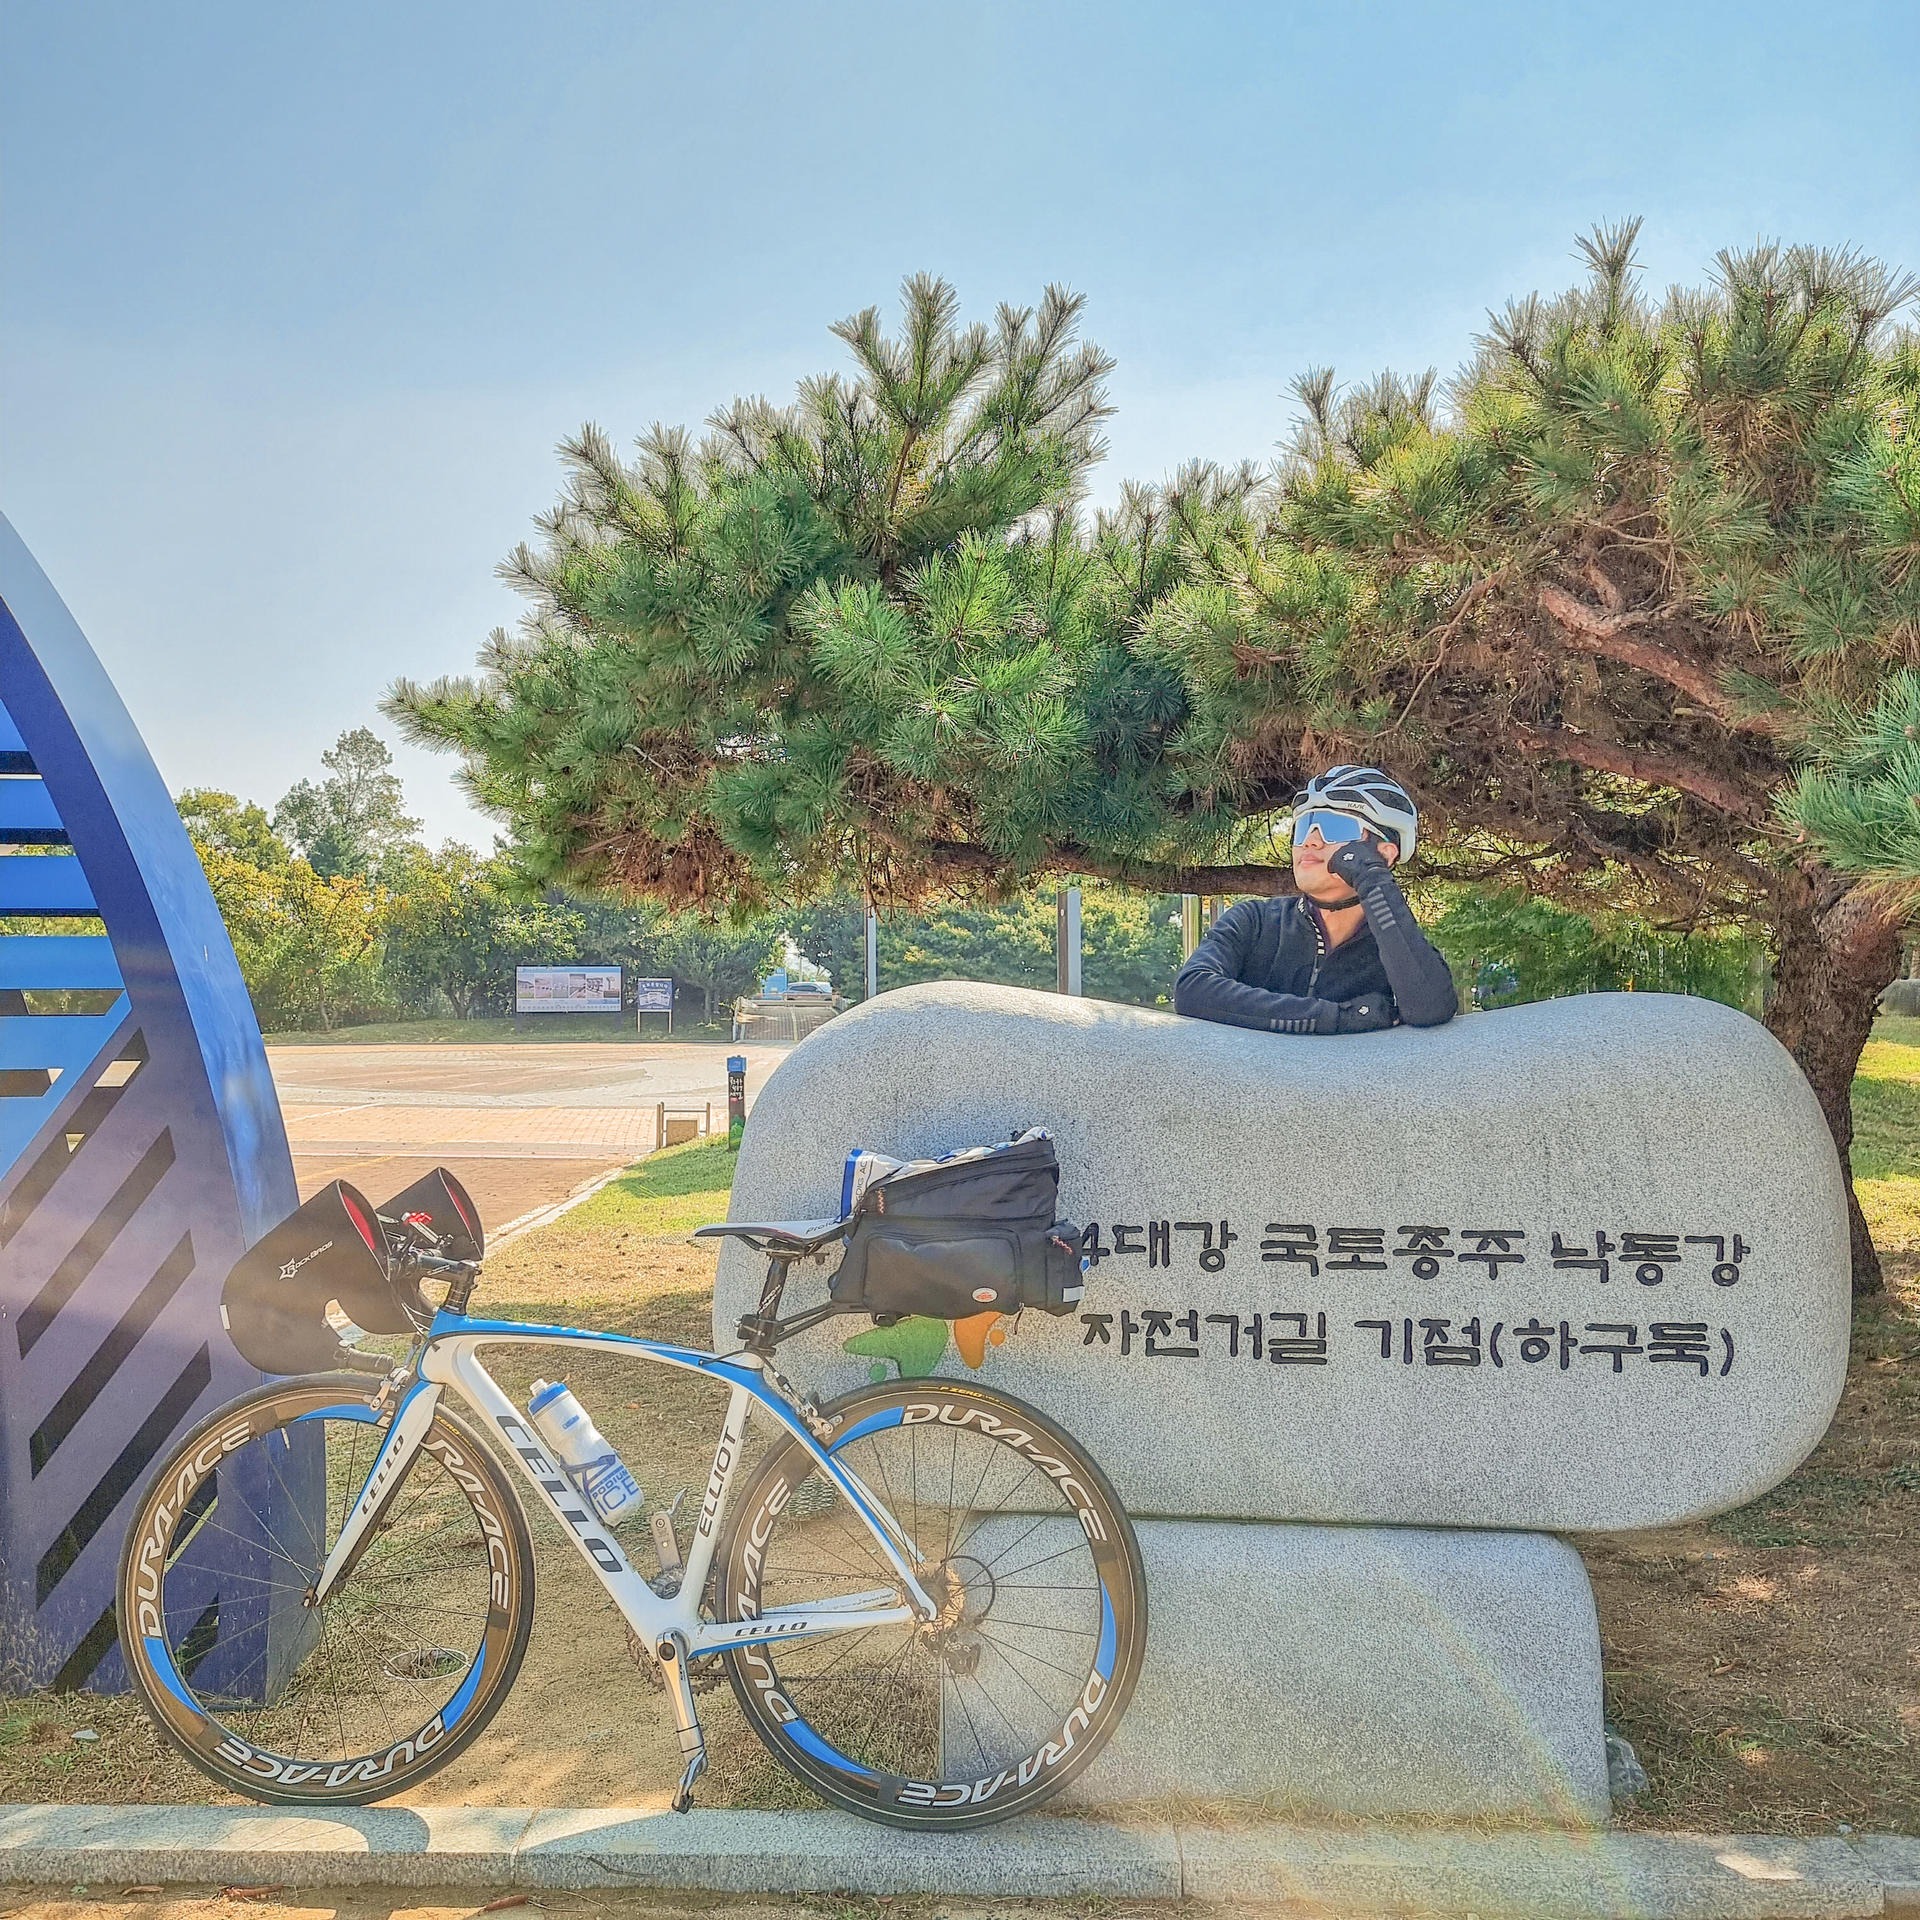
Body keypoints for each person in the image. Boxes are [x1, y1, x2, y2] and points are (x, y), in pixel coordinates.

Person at [1173, 765, 1457, 1035]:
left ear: (1384, 853)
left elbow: (1430, 1007)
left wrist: (1372, 878)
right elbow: (1193, 991)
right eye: (1304, 827)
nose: (1311, 840)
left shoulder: (1394, 944)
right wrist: (1338, 1017)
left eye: (1335, 827)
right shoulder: (1254, 921)